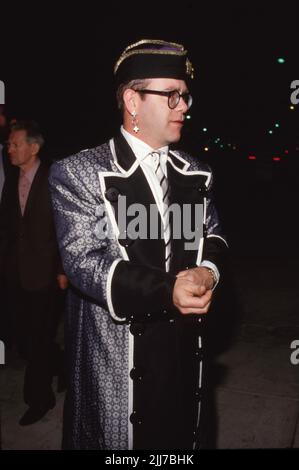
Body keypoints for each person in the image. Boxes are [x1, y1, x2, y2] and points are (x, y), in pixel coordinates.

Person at [49, 39, 228, 450]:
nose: (184, 106)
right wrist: (169, 290)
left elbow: (213, 234)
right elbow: (84, 261)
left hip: (183, 354)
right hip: (121, 362)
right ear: (132, 100)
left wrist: (208, 272)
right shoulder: (79, 172)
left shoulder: (197, 171)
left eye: (185, 96)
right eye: (172, 95)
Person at [0, 120, 67, 426]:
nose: (8, 148)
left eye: (14, 144)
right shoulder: (11, 177)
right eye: (9, 144)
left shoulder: (56, 177)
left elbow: (67, 228)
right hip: (16, 272)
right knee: (27, 338)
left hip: (48, 273)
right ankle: (63, 365)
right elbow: (9, 227)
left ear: (33, 147)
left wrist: (64, 269)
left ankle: (40, 399)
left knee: (38, 338)